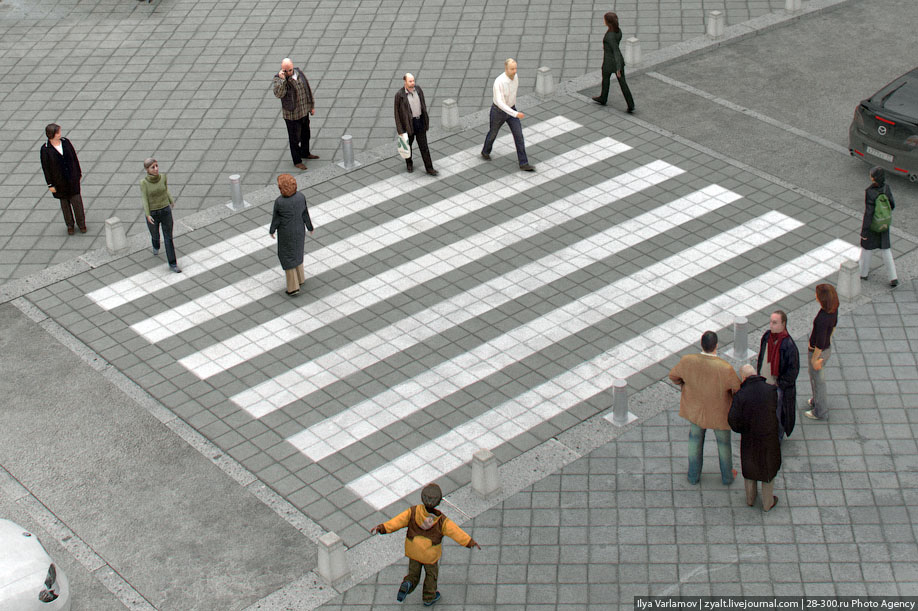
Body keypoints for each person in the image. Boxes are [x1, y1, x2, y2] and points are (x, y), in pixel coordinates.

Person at [370, 483, 480, 607]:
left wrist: (382, 528)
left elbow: (397, 522)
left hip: (413, 549)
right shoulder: (442, 521)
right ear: (439, 501)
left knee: (413, 574)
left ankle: (408, 583)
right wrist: (469, 542)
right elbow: (456, 532)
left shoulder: (413, 512)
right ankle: (429, 597)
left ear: (422, 498)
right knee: (431, 576)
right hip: (430, 555)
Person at [669, 331, 741, 485]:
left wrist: (685, 386)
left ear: (701, 344)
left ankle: (693, 476)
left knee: (694, 441)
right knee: (724, 445)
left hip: (696, 410)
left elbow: (674, 376)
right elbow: (737, 388)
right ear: (716, 346)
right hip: (719, 412)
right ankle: (727, 476)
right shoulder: (725, 368)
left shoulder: (688, 361)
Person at [729, 364, 781, 512]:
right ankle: (767, 503)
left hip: (750, 438)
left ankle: (750, 499)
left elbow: (732, 419)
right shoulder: (770, 390)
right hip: (768, 438)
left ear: (743, 377)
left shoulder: (741, 395)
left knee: (750, 468)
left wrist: (742, 429)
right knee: (768, 469)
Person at [480, 59, 536, 172]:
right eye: (512, 69)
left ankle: (523, 163)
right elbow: (500, 103)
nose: (515, 71)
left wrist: (513, 111)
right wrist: (515, 114)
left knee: (519, 136)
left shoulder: (515, 77)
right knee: (493, 133)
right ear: (506, 69)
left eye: (516, 68)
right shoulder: (499, 82)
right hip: (498, 112)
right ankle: (485, 151)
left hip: (512, 109)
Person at [756, 310, 799, 441]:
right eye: (770, 322)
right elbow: (762, 357)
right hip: (764, 382)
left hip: (777, 387)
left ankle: (777, 438)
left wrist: (780, 384)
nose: (771, 325)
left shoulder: (789, 345)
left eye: (775, 323)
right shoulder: (767, 337)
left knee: (777, 414)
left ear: (783, 324)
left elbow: (793, 371)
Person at [269, 174, 314, 296]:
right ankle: (301, 278)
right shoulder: (300, 197)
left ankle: (293, 287)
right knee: (297, 251)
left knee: (287, 255)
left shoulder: (280, 202)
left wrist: (272, 230)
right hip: (299, 229)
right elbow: (305, 213)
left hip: (286, 232)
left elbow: (276, 219)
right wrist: (309, 226)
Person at [40, 123, 86, 235]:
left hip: (72, 179)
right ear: (52, 135)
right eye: (58, 132)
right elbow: (46, 168)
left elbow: (74, 158)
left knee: (77, 203)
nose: (60, 134)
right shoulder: (46, 149)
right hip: (59, 182)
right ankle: (70, 225)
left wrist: (78, 172)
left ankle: (81, 224)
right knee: (65, 205)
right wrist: (50, 184)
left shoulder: (66, 142)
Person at [273, 58, 318, 171]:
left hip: (303, 111)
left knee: (306, 134)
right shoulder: (278, 79)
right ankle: (297, 161)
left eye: (290, 70)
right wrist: (283, 80)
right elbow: (279, 94)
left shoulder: (299, 73)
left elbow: (307, 89)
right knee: (294, 139)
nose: (288, 73)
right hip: (292, 115)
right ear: (282, 70)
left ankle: (305, 152)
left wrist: (311, 106)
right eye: (285, 70)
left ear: (293, 67)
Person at [859, 166, 898, 287]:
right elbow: (892, 205)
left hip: (873, 226)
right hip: (883, 223)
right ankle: (893, 277)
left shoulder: (870, 192)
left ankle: (863, 273)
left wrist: (864, 232)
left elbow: (869, 213)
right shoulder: (886, 188)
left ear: (874, 178)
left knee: (867, 249)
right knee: (886, 250)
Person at [804, 284, 839, 420]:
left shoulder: (822, 319)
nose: (815, 296)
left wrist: (814, 359)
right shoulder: (834, 309)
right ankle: (816, 401)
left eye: (817, 294)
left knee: (818, 380)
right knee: (816, 378)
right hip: (826, 349)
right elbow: (834, 327)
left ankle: (820, 411)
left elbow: (819, 342)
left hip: (818, 352)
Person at [140, 158, 180, 273]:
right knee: (155, 235)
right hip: (153, 213)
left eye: (157, 166)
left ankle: (173, 264)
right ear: (147, 170)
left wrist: (171, 201)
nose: (156, 169)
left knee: (168, 238)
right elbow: (145, 199)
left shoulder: (163, 177)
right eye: (153, 167)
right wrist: (148, 214)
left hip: (165, 210)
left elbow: (165, 190)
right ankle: (156, 245)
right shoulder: (144, 183)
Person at [394, 73, 438, 176]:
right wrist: (400, 130)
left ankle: (429, 168)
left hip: (420, 122)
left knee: (424, 147)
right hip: (408, 124)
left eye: (413, 80)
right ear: (405, 82)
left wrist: (425, 120)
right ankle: (409, 163)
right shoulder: (399, 95)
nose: (412, 83)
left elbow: (423, 105)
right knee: (407, 146)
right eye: (410, 81)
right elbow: (396, 113)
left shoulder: (418, 90)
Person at [592, 12, 635, 113]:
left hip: (610, 62)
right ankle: (631, 104)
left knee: (606, 79)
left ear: (607, 22)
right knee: (623, 83)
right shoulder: (618, 31)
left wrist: (618, 68)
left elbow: (615, 51)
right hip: (618, 61)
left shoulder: (610, 36)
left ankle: (603, 97)